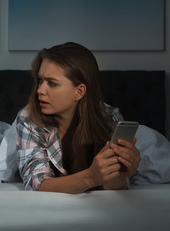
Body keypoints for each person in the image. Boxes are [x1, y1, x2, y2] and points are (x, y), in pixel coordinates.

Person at [16, 42, 141, 193]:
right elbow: (36, 185)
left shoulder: (110, 118)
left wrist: (120, 175)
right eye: (40, 80)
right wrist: (90, 178)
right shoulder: (29, 118)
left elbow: (111, 188)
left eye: (52, 83)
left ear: (79, 92)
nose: (40, 90)